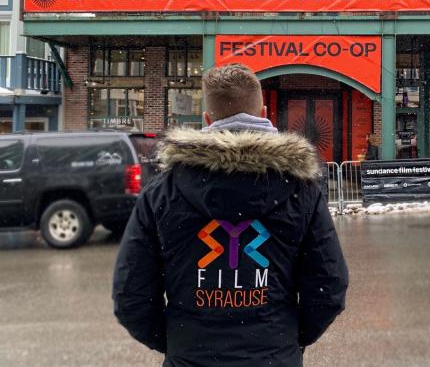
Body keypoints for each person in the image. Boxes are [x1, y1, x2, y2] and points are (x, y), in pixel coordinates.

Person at [112, 64, 348, 367]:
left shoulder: (162, 191)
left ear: (208, 119)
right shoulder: (301, 190)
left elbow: (131, 295)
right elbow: (328, 287)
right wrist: (288, 337)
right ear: (263, 113)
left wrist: (177, 341)